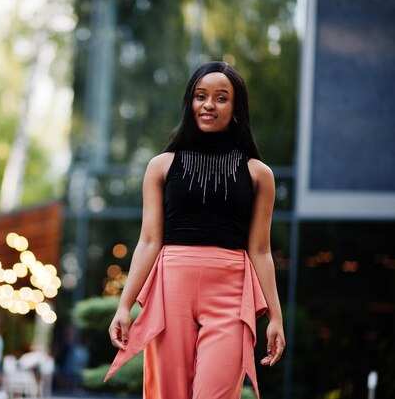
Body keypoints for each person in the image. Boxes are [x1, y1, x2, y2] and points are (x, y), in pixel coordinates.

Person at [106, 61, 285, 399]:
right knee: (168, 393)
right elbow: (148, 240)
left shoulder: (260, 174)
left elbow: (260, 250)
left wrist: (275, 316)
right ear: (190, 103)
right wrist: (123, 305)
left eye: (221, 98)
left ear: (235, 109)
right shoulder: (161, 166)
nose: (208, 104)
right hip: (171, 288)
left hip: (231, 291)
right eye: (201, 96)